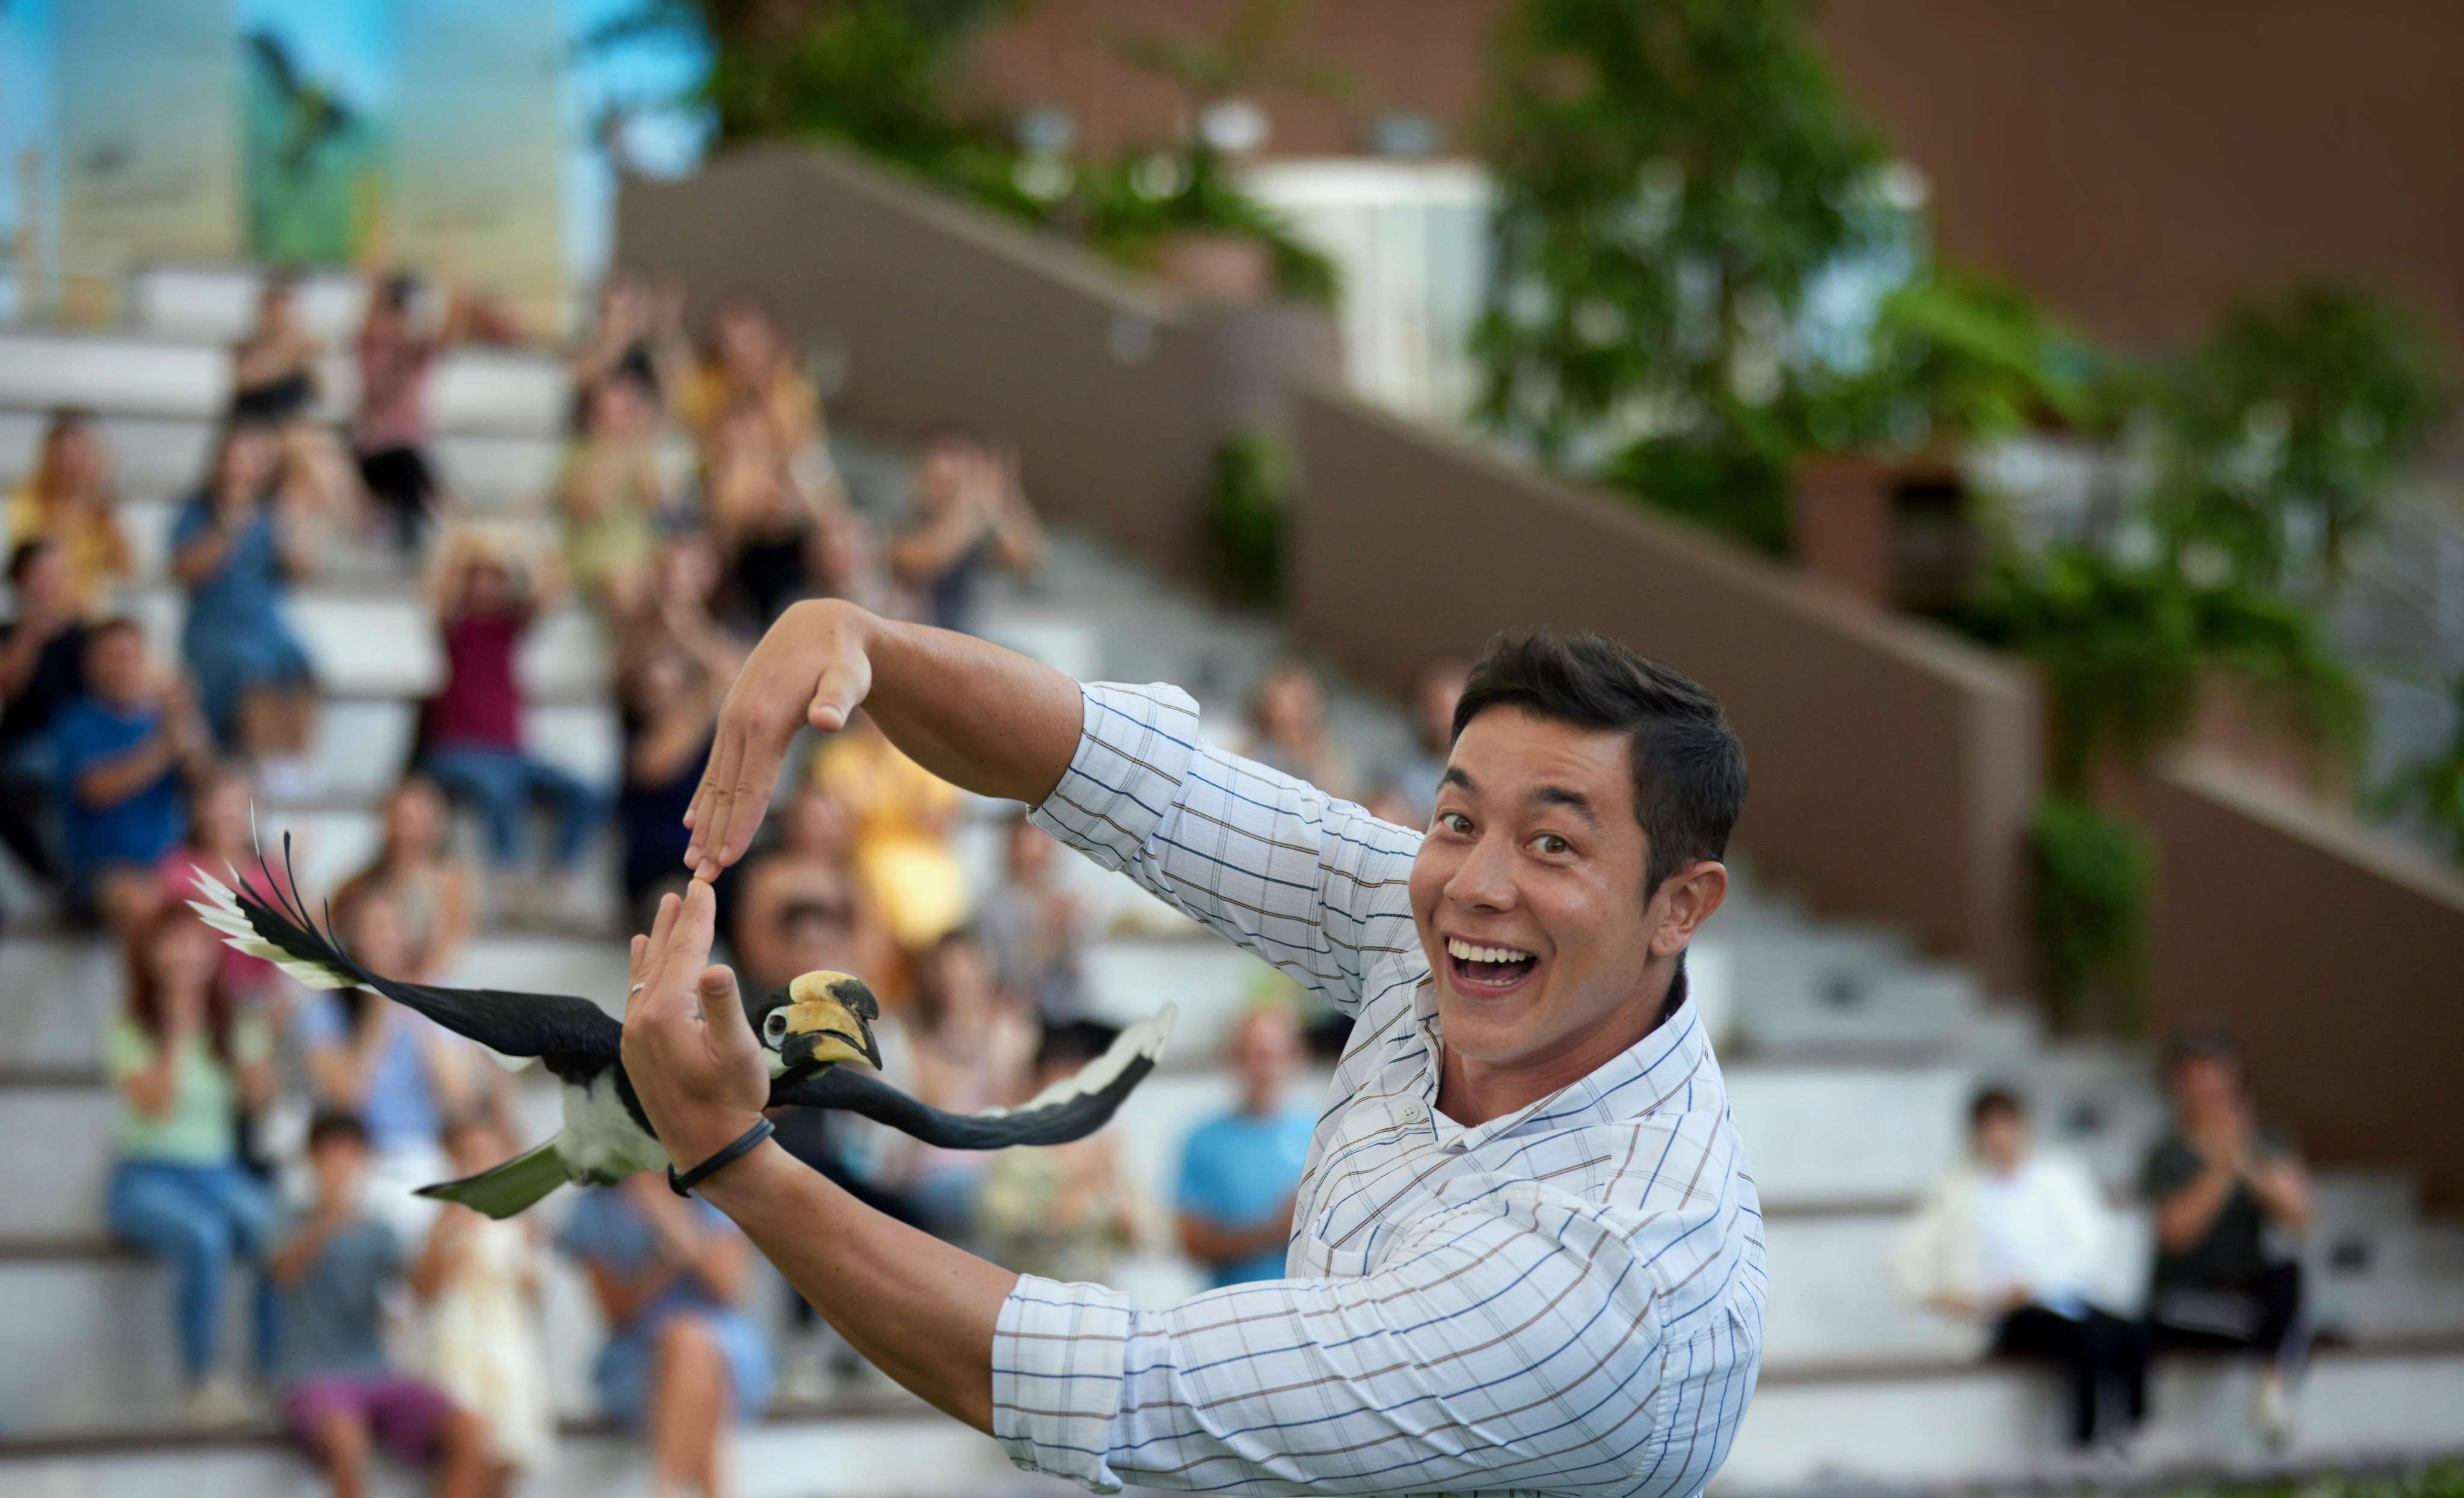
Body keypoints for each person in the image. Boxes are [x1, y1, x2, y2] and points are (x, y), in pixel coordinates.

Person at [622, 606, 1758, 1496]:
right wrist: (858, 638)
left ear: (1680, 906)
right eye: (1456, 816)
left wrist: (733, 1159)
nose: (1478, 881)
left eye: (1554, 842)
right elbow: (1140, 785)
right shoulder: (1443, 928)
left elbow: (1119, 1391)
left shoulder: (1612, 1274)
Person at [1893, 1087, 2146, 1450]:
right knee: (2084, 1341)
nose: (2000, 1139)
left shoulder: (2057, 1177)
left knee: (2129, 1332)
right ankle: (2084, 1447)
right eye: (1989, 1129)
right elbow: (1908, 1254)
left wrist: (2037, 1284)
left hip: (2061, 1297)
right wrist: (1938, 1295)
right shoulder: (1960, 1189)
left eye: (2007, 1125)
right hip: (2004, 1312)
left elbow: (2090, 1245)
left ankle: (2130, 1428)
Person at [104, 907, 280, 1425]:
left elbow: (258, 1102)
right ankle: (198, 1381)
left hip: (219, 1172)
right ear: (150, 954)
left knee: (275, 1229)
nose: (184, 954)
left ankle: (269, 1376)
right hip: (145, 1175)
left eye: (195, 943)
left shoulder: (236, 1025)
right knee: (206, 1237)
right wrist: (177, 1033)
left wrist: (263, 1045)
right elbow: (155, 1105)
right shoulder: (129, 1028)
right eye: (171, 942)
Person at [270, 1112, 494, 1498]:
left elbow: (420, 1290)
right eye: (332, 1156)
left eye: (352, 1156)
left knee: (471, 1431)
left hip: (377, 1373)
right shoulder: (287, 1216)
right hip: (311, 1377)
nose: (343, 1167)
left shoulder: (379, 1230)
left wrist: (443, 1232)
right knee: (347, 1438)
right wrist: (327, 1222)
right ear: (313, 1161)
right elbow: (283, 1273)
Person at [2141, 1029, 2314, 1446]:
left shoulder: (2265, 1142)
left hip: (2245, 1286)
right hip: (2185, 1296)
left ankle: (2270, 1390)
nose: (2209, 1090)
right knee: (2282, 1326)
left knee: (2288, 1277)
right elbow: (2174, 1234)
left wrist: (2244, 1162)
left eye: (2218, 1077)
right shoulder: (2166, 1153)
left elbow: (2299, 1214)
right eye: (2197, 1077)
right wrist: (2218, 1170)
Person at [419, 535, 603, 910]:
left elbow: (553, 586)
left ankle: (559, 877)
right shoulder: (455, 626)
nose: (489, 586)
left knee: (585, 793)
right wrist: (471, 546)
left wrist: (515, 548)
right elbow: (434, 588)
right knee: (500, 783)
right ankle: (511, 881)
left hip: (511, 756)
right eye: (481, 576)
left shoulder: (509, 627)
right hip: (458, 752)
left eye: (498, 577)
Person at [561, 1175, 773, 1498]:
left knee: (692, 1343)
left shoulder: (716, 1187)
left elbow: (729, 1287)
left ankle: (665, 1490)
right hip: (638, 1361)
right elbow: (617, 1314)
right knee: (689, 1346)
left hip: (728, 1354)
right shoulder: (596, 1207)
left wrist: (673, 1222)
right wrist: (668, 1255)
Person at [297, 891, 487, 1242]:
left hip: (421, 1152)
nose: (381, 938)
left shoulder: (441, 995)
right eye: (370, 928)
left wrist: (422, 1008)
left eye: (390, 928)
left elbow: (458, 1100)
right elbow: (347, 1097)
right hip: (353, 1158)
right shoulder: (324, 1006)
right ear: (351, 937)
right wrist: (377, 1007)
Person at [170, 420, 322, 783]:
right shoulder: (196, 514)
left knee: (302, 663)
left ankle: (296, 766)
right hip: (216, 631)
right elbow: (186, 571)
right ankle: (263, 766)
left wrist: (293, 514)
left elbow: (300, 568)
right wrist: (228, 525)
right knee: (251, 669)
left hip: (264, 625)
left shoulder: (271, 515)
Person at [411, 1114, 556, 1485]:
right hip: (457, 1351)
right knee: (467, 1451)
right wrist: (453, 1233)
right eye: (470, 1156)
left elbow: (536, 1289)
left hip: (508, 1352)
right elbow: (422, 1289)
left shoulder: (523, 1222)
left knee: (505, 1461)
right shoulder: (443, 1220)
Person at [871, 929, 1036, 1244]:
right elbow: (924, 1108)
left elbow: (1013, 1111)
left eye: (970, 969)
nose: (960, 980)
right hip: (935, 1172)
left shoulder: (1008, 1033)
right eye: (951, 970)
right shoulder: (909, 1039)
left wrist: (1002, 1054)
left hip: (996, 1171)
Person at [54, 618, 214, 930]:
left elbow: (206, 782)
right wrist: (167, 745)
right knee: (142, 899)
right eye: (112, 657)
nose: (122, 668)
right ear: (91, 665)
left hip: (164, 866)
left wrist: (186, 713)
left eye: (131, 657)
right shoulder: (75, 721)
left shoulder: (164, 718)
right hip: (94, 873)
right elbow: (96, 789)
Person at [976, 1022, 1145, 1285]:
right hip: (1033, 1298)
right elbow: (1014, 1238)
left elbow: (1141, 1240)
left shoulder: (1103, 1150)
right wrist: (1082, 1182)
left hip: (1099, 1299)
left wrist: (1124, 1206)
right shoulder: (1015, 1154)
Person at [1173, 1003, 1314, 1289]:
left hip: (1306, 1309)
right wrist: (1274, 1230)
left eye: (1273, 1055)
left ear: (1296, 1058)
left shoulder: (1321, 1134)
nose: (1263, 1069)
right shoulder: (1203, 1141)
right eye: (1252, 1055)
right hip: (1229, 1309)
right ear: (1234, 1059)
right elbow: (1191, 1244)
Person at [808, 712, 967, 953]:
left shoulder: (924, 753)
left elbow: (938, 822)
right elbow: (832, 825)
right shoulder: (837, 755)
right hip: (857, 862)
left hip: (921, 861)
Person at [0, 538, 97, 882]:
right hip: (24, 747)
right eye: (41, 574)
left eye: (59, 573)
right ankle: (54, 875)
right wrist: (31, 632)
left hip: (79, 745)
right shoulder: (10, 634)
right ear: (21, 581)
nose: (51, 582)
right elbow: (9, 689)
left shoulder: (87, 637)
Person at [889, 432, 1044, 637]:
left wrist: (1007, 494)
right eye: (938, 482)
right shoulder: (902, 522)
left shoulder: (974, 527)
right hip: (917, 638)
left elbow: (1028, 559)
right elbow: (922, 560)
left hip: (970, 638)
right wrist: (973, 505)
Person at [617, 642, 726, 931]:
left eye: (672, 690)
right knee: (679, 906)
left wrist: (683, 616)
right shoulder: (636, 739)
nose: (662, 701)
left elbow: (728, 667)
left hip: (715, 867)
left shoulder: (712, 735)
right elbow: (657, 767)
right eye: (652, 691)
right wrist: (705, 704)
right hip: (661, 869)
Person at [353, 272, 462, 553]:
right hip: (378, 454)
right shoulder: (370, 349)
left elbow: (445, 331)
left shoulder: (416, 354)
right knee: (411, 469)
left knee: (411, 469)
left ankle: (414, 525)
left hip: (406, 455)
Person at [334, 776, 478, 984]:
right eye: (402, 819)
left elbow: (447, 948)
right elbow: (327, 921)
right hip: (368, 987)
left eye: (418, 821)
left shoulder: (451, 880)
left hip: (422, 988)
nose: (408, 831)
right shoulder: (363, 881)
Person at [558, 373, 668, 621]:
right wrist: (612, 456)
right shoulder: (580, 455)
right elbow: (591, 505)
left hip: (637, 557)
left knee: (675, 583)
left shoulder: (640, 452)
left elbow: (657, 500)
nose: (620, 421)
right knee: (624, 588)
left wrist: (638, 449)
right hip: (593, 557)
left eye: (625, 412)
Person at [5, 408, 132, 616]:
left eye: (78, 455)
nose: (71, 466)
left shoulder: (100, 507)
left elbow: (126, 568)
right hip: (42, 617)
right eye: (63, 456)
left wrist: (110, 516)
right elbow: (30, 559)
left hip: (90, 617)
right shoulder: (28, 499)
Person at [974, 814, 1091, 1024]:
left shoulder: (1067, 902)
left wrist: (1068, 934)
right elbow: (1004, 980)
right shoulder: (994, 909)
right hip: (1021, 1021)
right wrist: (1049, 934)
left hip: (1070, 1015)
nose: (1039, 858)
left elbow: (1080, 976)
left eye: (1045, 847)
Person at [1239, 658, 1355, 803]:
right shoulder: (1251, 751)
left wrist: (1313, 756)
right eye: (1294, 700)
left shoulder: (1324, 757)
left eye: (1306, 701)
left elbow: (1339, 804)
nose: (1301, 712)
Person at [1379, 658, 1470, 826]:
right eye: (1439, 709)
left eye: (1458, 706)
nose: (1449, 719)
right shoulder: (1412, 776)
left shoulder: (1502, 768)